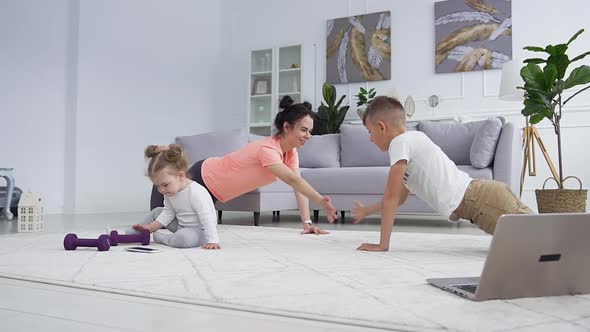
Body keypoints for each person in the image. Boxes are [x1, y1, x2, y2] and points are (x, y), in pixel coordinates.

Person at [351, 96, 533, 251]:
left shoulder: (400, 143)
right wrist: (367, 210)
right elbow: (398, 199)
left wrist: (383, 245)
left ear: (382, 127)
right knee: (536, 239)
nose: (370, 139)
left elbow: (390, 199)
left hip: (481, 201)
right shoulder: (412, 143)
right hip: (481, 202)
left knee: (538, 239)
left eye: (370, 131)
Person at [151, 96, 338, 234]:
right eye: (304, 130)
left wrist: (307, 222)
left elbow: (297, 185)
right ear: (287, 127)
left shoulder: (290, 153)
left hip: (214, 192)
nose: (308, 135)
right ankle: (164, 159)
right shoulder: (268, 149)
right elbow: (291, 179)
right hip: (203, 176)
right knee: (158, 220)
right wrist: (320, 200)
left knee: (187, 231)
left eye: (310, 131)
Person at [132, 144, 221, 249]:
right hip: (180, 225)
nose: (162, 190)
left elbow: (207, 218)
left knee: (183, 239)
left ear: (181, 175)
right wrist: (151, 227)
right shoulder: (169, 192)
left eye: (165, 185)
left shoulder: (195, 192)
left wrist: (213, 240)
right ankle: (137, 232)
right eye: (157, 186)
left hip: (199, 231)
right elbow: (168, 213)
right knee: (157, 211)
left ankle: (163, 239)